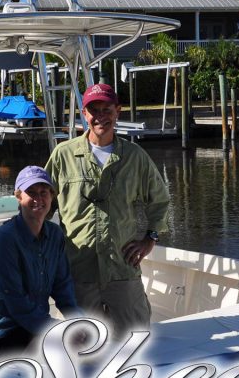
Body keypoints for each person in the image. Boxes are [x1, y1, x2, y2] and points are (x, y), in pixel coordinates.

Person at [45, 83, 170, 335]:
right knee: (81, 345)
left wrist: (150, 238)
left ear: (118, 111)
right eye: (94, 110)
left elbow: (160, 201)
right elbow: (43, 205)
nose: (100, 116)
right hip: (79, 272)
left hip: (122, 268)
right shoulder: (62, 155)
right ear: (84, 113)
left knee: (136, 339)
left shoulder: (135, 157)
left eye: (107, 109)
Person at [0, 165, 82, 360]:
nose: (38, 199)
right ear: (18, 197)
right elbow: (15, 301)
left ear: (52, 197)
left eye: (44, 193)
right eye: (31, 193)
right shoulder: (4, 240)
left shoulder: (55, 235)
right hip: (3, 334)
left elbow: (63, 287)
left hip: (36, 327)